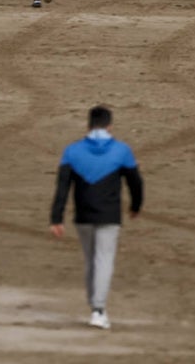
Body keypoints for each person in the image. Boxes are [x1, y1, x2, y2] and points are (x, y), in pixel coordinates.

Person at [49, 105, 144, 331]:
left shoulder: (72, 151)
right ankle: (98, 309)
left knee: (90, 259)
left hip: (83, 215)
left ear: (88, 124)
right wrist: (136, 206)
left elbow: (62, 188)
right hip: (109, 215)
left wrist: (56, 218)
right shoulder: (121, 151)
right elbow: (135, 182)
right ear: (110, 125)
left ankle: (94, 304)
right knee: (104, 260)